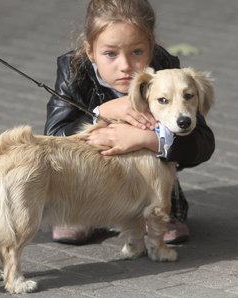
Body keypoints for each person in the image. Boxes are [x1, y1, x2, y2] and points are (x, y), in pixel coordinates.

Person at [44, 0, 214, 245]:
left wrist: (148, 139)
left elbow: (202, 144)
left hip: (149, 175)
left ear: (151, 47)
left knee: (164, 156)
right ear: (90, 50)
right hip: (92, 178)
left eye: (137, 52)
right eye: (110, 54)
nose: (124, 66)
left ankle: (158, 205)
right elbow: (54, 136)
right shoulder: (74, 72)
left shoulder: (166, 70)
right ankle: (83, 208)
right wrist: (100, 112)